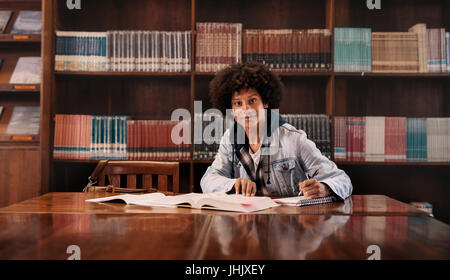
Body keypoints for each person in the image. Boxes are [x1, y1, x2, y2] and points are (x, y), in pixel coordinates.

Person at [200, 62, 352, 200]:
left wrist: (324, 188)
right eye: (238, 103)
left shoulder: (293, 139)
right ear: (231, 109)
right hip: (246, 225)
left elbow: (342, 180)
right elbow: (208, 180)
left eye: (252, 101)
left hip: (290, 224)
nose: (245, 110)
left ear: (265, 102)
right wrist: (233, 184)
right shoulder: (230, 139)